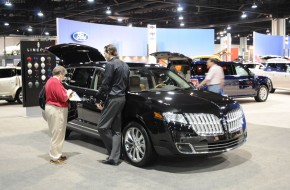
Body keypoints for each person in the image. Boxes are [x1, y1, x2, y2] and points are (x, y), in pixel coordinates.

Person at [95, 44, 130, 166]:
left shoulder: (110, 64)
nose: (104, 55)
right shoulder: (125, 65)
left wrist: (99, 99)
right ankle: (114, 158)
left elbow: (105, 84)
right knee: (116, 130)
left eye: (104, 53)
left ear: (109, 52)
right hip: (122, 98)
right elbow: (127, 84)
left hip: (113, 99)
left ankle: (115, 153)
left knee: (102, 127)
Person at [45, 66, 74, 164]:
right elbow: (63, 97)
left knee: (58, 133)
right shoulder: (55, 82)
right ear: (60, 73)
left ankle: (57, 154)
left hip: (53, 108)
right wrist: (69, 92)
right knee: (57, 133)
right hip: (57, 109)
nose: (64, 77)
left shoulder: (50, 81)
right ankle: (54, 157)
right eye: (64, 75)